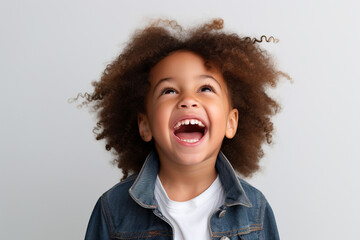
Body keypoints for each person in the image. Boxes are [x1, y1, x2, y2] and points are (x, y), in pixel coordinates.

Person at [81, 18, 288, 240]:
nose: (188, 100)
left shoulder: (255, 212)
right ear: (145, 125)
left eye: (205, 88)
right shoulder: (112, 210)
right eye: (169, 91)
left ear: (231, 122)